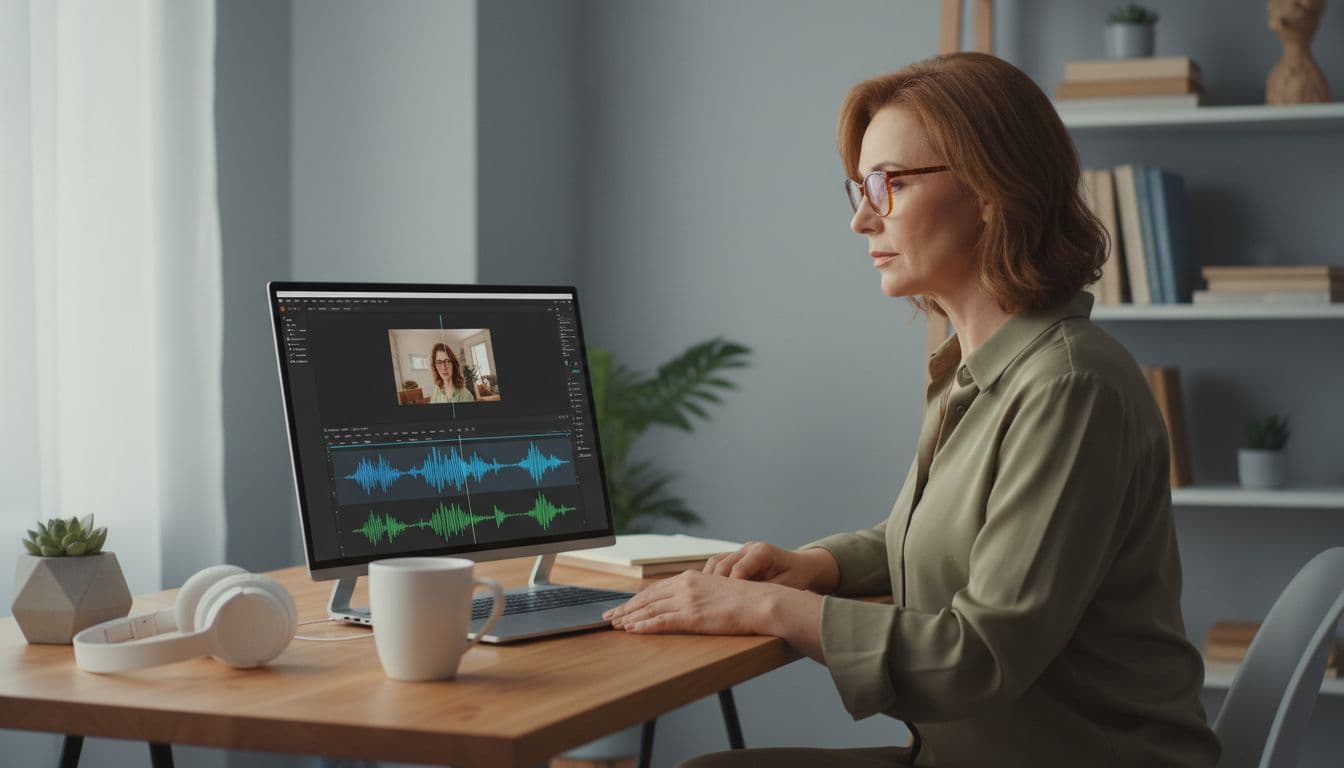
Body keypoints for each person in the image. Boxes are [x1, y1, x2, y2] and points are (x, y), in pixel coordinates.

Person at [602, 52, 1221, 767]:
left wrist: (761, 607)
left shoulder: (1068, 388)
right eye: (859, 189)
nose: (864, 219)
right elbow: (921, 537)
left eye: (889, 184)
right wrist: (815, 566)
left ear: (993, 189)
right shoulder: (980, 368)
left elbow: (979, 657)